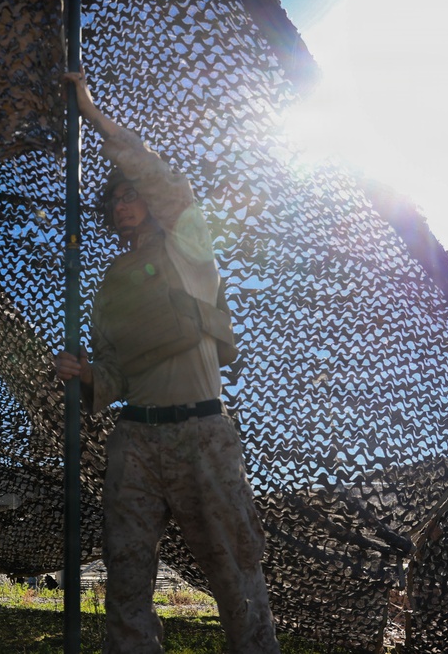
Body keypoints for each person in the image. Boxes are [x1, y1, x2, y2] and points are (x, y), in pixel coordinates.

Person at [56, 72, 280, 654]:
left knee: (236, 569)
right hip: (136, 441)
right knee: (126, 578)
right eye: (115, 199)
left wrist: (94, 116)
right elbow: (114, 374)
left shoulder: (190, 247)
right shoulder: (110, 284)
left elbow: (167, 183)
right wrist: (85, 377)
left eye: (130, 194)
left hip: (202, 432)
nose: (123, 204)